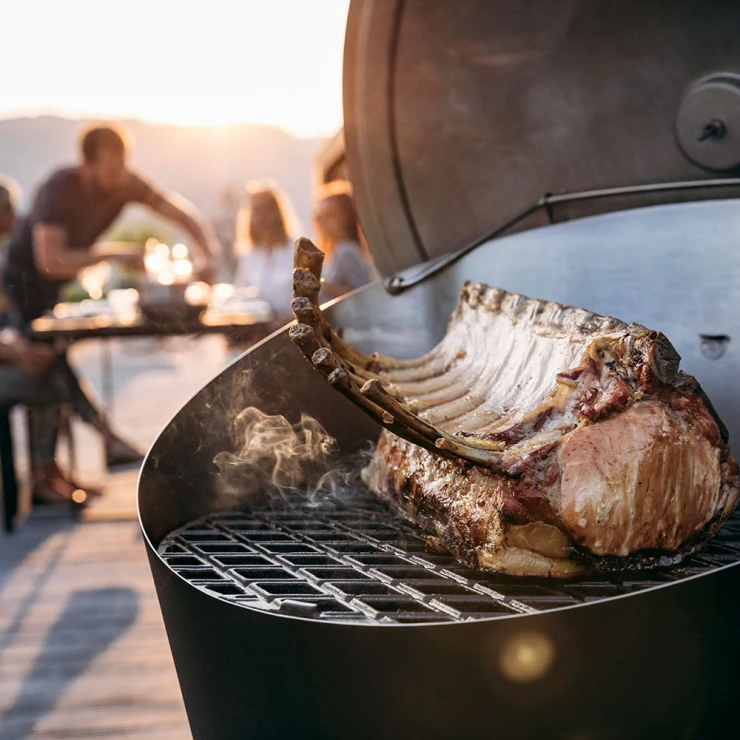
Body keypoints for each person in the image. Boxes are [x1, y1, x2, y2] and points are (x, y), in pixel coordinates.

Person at [3, 124, 222, 467]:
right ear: (86, 164)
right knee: (46, 364)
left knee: (55, 364)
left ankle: (71, 461)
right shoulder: (59, 189)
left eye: (121, 168)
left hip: (55, 293)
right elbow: (51, 261)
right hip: (22, 286)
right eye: (108, 170)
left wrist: (207, 251)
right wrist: (116, 254)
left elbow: (182, 214)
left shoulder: (125, 183)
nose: (117, 179)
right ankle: (75, 457)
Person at [233, 182, 301, 322]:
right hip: (258, 332)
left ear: (277, 212)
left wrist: (285, 320)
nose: (262, 217)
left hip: (294, 328)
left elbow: (314, 298)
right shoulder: (249, 254)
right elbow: (240, 295)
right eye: (256, 211)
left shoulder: (296, 249)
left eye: (266, 210)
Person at [313, 180, 376, 299]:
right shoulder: (337, 251)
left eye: (328, 214)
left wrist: (323, 285)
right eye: (319, 215)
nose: (322, 221)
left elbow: (363, 294)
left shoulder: (346, 251)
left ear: (345, 215)